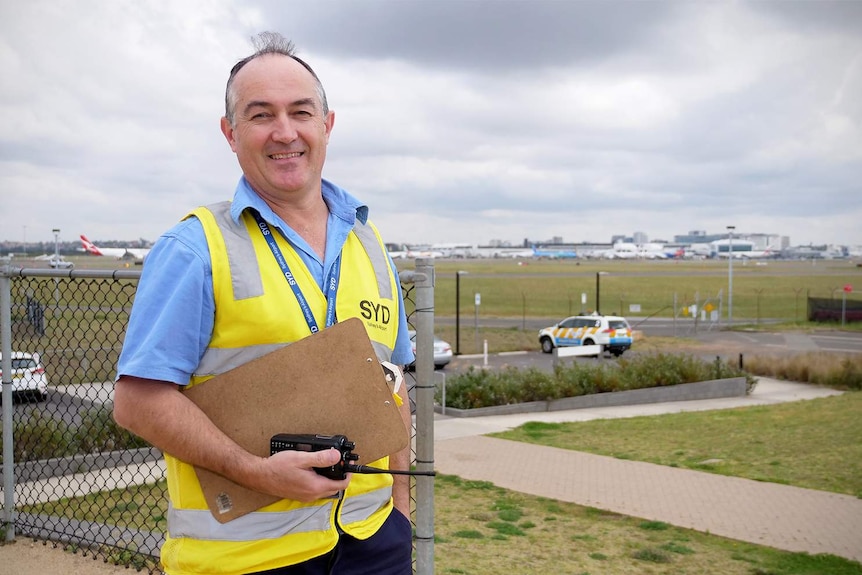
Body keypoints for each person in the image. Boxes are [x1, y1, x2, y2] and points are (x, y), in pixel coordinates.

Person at [113, 32, 415, 575]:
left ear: (327, 124)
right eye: (261, 115)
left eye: (301, 112)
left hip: (372, 545)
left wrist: (400, 517)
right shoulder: (196, 248)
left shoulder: (369, 245)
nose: (285, 132)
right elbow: (137, 402)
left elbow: (393, 385)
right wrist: (257, 472)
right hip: (246, 560)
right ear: (230, 133)